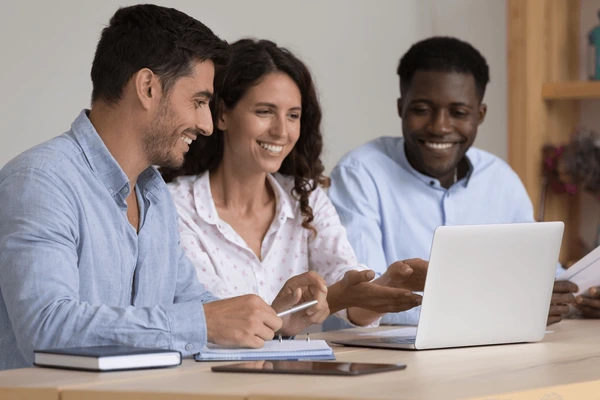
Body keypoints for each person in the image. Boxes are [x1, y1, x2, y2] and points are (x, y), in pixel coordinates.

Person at [0, 5, 328, 371]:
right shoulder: (40, 182)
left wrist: (271, 320)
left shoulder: (154, 194)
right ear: (148, 87)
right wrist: (202, 323)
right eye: (199, 101)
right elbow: (45, 326)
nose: (207, 125)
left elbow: (196, 306)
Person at [162, 39, 427, 328]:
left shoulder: (306, 197)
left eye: (293, 116)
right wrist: (334, 299)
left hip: (296, 373)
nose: (281, 131)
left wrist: (383, 288)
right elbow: (215, 317)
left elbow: (347, 284)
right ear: (223, 113)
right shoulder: (175, 206)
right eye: (264, 112)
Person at [328, 36, 582, 327]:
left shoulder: (499, 179)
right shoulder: (359, 174)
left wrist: (578, 297)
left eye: (459, 113)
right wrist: (505, 302)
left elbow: (539, 271)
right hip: (378, 360)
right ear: (401, 108)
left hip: (486, 353)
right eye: (422, 109)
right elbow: (365, 300)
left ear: (480, 114)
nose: (440, 127)